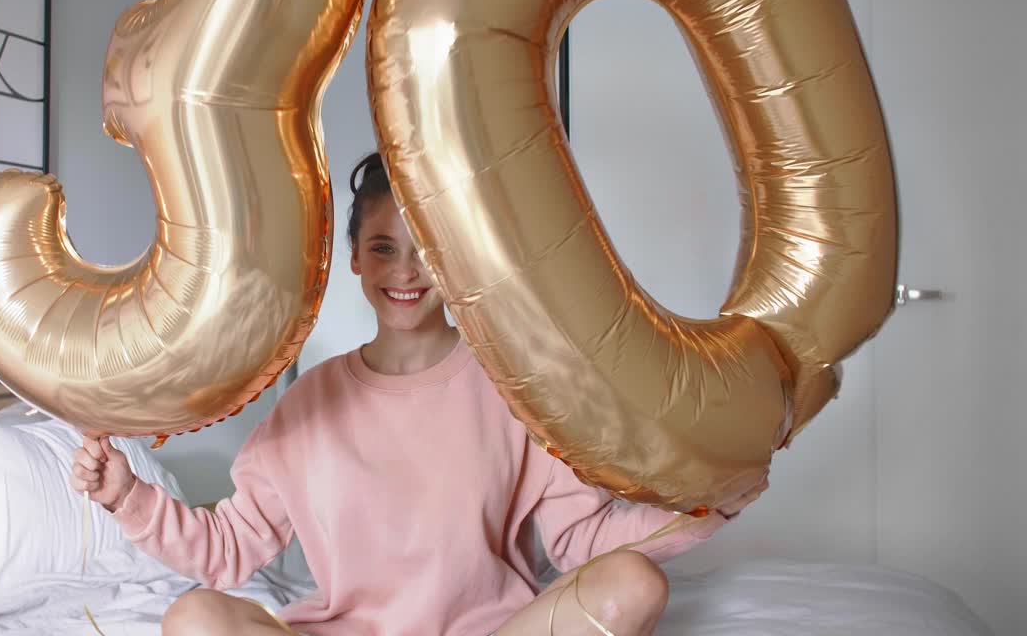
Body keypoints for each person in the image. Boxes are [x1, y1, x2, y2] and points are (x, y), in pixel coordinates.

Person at [71, 152, 767, 636]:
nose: (405, 271)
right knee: (193, 617)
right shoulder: (310, 403)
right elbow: (226, 550)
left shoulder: (514, 389)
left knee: (634, 587)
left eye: (427, 249)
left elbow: (582, 538)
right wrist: (128, 496)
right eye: (382, 247)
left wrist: (711, 501)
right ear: (352, 258)